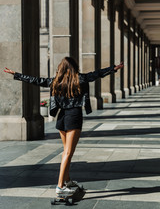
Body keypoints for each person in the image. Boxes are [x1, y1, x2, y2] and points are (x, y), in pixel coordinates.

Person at [4, 57, 123, 195]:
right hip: (74, 117)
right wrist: (112, 68)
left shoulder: (55, 81)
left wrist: (16, 74)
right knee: (68, 152)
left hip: (61, 118)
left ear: (60, 68)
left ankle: (67, 180)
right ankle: (60, 186)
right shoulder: (80, 79)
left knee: (66, 152)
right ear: (74, 67)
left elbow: (36, 80)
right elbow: (96, 74)